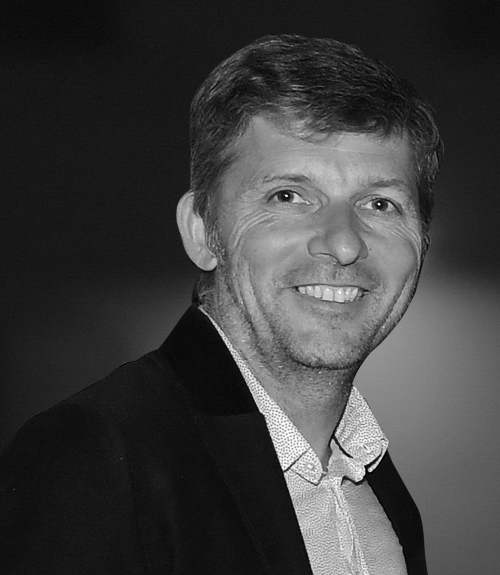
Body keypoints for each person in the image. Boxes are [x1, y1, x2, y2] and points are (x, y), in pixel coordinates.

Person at [0, 35, 442, 575]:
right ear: (202, 232)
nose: (344, 243)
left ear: (422, 241)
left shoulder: (382, 493)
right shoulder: (92, 458)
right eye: (288, 196)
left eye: (380, 204)